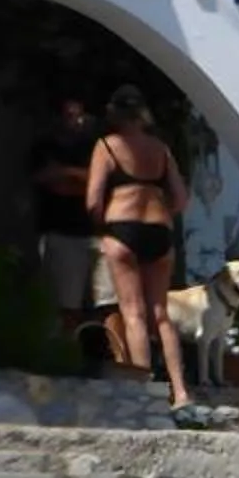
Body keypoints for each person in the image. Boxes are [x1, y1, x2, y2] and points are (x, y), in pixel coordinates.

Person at [86, 85, 193, 407]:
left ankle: (147, 392)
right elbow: (182, 199)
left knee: (133, 313)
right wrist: (161, 212)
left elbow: (93, 199)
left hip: (122, 228)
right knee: (160, 314)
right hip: (159, 230)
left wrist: (103, 226)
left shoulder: (107, 146)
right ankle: (181, 391)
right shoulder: (160, 149)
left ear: (114, 113)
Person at [27, 96, 101, 344]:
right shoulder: (44, 147)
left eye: (78, 115)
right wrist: (80, 182)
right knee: (64, 302)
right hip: (61, 231)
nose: (75, 121)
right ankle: (64, 349)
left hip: (91, 231)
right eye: (69, 115)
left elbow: (98, 183)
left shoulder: (92, 147)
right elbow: (48, 181)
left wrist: (67, 173)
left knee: (100, 302)